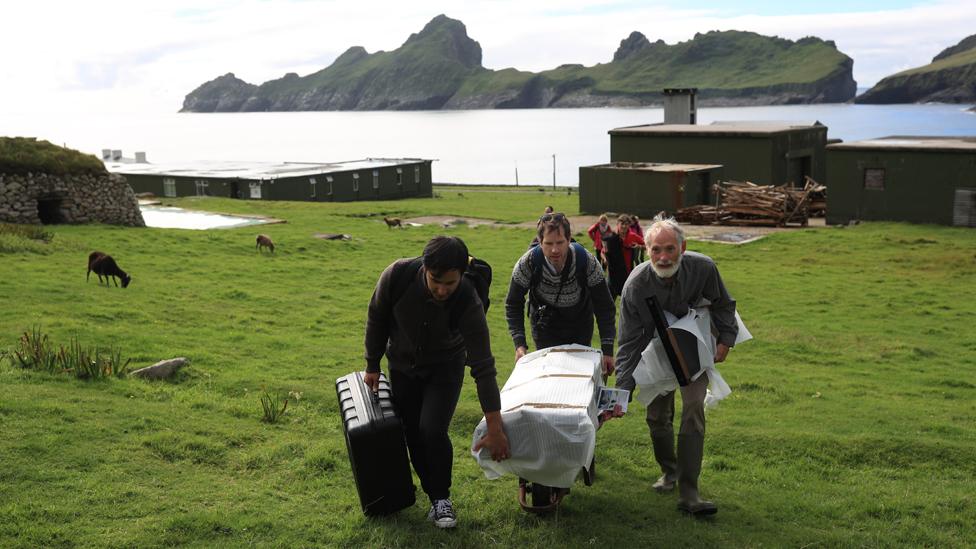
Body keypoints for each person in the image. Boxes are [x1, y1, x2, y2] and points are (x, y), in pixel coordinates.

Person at [363, 236, 510, 529]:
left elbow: (483, 366)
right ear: (425, 269)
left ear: (461, 276)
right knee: (411, 432)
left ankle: (442, 499)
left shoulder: (468, 300)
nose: (442, 289)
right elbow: (377, 317)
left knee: (432, 429)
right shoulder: (398, 276)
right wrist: (372, 365)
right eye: (435, 281)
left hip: (446, 367)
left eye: (450, 283)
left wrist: (495, 428)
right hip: (402, 367)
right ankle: (432, 496)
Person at [614, 216, 738, 516]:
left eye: (670, 249)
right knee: (657, 415)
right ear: (646, 250)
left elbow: (723, 303)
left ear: (683, 247)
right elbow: (629, 342)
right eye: (656, 250)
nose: (663, 257)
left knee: (694, 407)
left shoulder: (704, 268)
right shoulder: (635, 286)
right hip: (653, 351)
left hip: (693, 347)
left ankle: (689, 492)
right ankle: (669, 472)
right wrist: (621, 391)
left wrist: (726, 340)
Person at [505, 212, 616, 376]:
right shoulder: (527, 264)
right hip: (545, 329)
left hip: (580, 326)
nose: (555, 249)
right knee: (549, 378)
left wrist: (607, 350)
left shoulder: (587, 261)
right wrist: (519, 344)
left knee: (579, 378)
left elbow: (604, 306)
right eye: (548, 243)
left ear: (569, 239)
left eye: (560, 242)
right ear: (540, 242)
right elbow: (513, 303)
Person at [601, 214, 645, 298]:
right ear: (617, 224)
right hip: (613, 273)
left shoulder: (633, 236)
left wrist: (639, 246)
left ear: (629, 225)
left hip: (627, 273)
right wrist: (605, 259)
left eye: (626, 224)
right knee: (609, 300)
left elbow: (647, 245)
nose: (624, 226)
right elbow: (603, 252)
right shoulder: (611, 237)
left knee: (627, 298)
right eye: (622, 224)